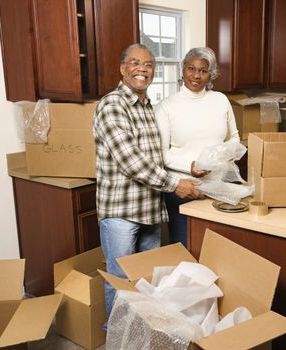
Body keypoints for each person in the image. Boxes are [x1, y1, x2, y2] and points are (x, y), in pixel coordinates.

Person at [93, 43, 202, 321]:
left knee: (147, 281)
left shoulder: (146, 106)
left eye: (149, 64)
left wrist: (187, 170)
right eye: (134, 63)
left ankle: (140, 337)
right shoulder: (112, 105)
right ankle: (118, 340)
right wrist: (175, 184)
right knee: (120, 282)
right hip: (121, 213)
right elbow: (131, 160)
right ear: (122, 68)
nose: (142, 69)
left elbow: (156, 156)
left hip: (149, 209)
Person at [155, 47, 240, 247]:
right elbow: (162, 154)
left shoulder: (220, 100)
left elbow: (234, 138)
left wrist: (221, 157)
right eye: (191, 68)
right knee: (187, 248)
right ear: (182, 70)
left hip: (218, 185)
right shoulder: (167, 106)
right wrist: (191, 166)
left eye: (203, 70)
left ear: (211, 74)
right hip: (184, 188)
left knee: (218, 248)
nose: (196, 75)